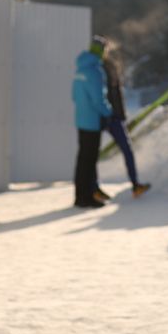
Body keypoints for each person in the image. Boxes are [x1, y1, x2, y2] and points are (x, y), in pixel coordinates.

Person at [97, 37, 151, 197]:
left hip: (110, 116)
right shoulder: (100, 67)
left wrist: (121, 115)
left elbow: (116, 93)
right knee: (123, 150)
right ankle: (95, 188)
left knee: (126, 150)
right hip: (107, 116)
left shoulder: (108, 66)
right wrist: (114, 114)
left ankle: (135, 185)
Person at [71, 37, 112, 207]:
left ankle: (80, 195)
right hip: (92, 123)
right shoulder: (95, 71)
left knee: (82, 160)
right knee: (89, 161)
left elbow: (73, 96)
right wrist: (109, 112)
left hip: (80, 120)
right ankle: (86, 198)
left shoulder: (80, 69)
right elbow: (98, 100)